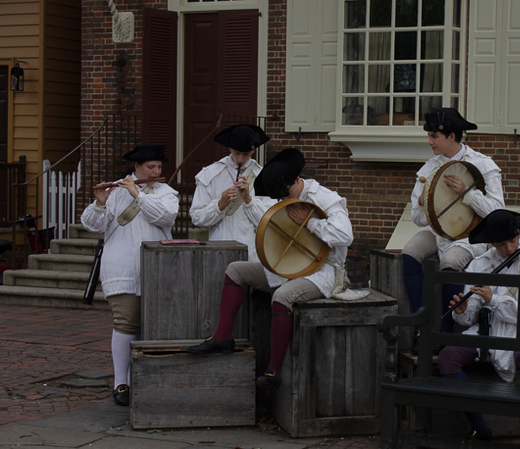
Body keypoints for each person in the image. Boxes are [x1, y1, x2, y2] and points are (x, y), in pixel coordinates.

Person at [187, 147, 353, 390]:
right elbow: (269, 219)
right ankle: (222, 337)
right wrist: (248, 200)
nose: (284, 200)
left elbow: (344, 235)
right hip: (292, 264)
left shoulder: (324, 197)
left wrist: (311, 223)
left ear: (297, 180)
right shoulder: (286, 196)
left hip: (323, 271)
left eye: (285, 195)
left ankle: (273, 371)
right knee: (236, 270)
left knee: (282, 296)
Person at [437, 209, 520, 447]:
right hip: (486, 330)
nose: (509, 248)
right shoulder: (479, 264)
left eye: (512, 241)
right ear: (492, 243)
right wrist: (462, 311)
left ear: (519, 236)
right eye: (502, 244)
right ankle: (480, 428)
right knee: (448, 357)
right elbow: (470, 318)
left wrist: (494, 300)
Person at [80, 144, 179, 406]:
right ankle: (120, 383)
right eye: (150, 167)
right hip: (122, 267)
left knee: (155, 326)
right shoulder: (115, 192)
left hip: (157, 269)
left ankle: (146, 378)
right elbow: (92, 224)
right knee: (126, 322)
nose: (156, 171)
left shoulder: (166, 193)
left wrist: (138, 194)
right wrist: (101, 203)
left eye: (159, 167)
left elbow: (165, 216)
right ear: (136, 167)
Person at [402, 107, 505, 350]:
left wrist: (467, 194)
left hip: (472, 233)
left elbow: (498, 211)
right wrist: (422, 203)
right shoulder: (428, 169)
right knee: (409, 254)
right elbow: (417, 218)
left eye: (434, 137)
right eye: (428, 136)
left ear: (451, 136)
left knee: (450, 262)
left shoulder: (482, 164)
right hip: (438, 231)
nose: (429, 142)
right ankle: (422, 328)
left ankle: (446, 333)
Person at [189, 124, 270, 262]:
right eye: (237, 153)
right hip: (219, 253)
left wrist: (249, 199)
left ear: (253, 151)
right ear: (230, 149)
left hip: (252, 255)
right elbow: (197, 217)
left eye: (245, 154)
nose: (240, 159)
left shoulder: (263, 177)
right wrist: (220, 205)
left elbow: (270, 221)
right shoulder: (211, 175)